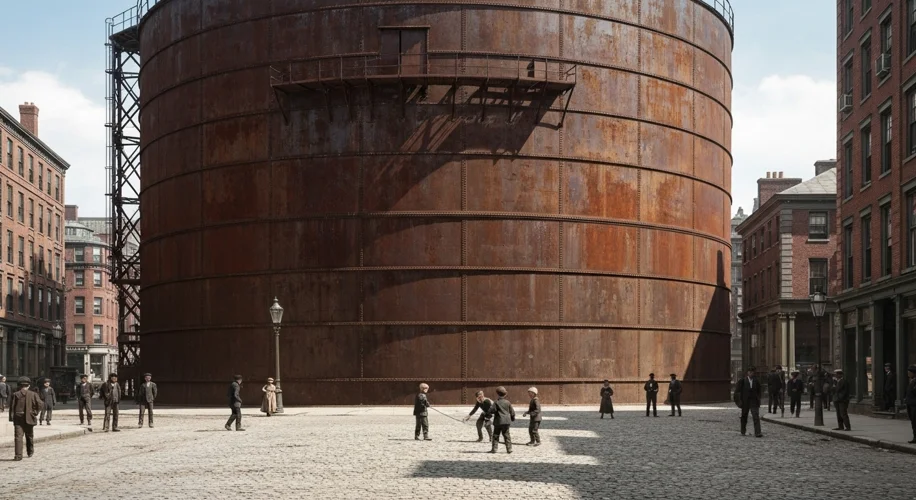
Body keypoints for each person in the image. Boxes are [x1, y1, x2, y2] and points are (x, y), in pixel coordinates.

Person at [8, 377, 43, 460]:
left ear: (19, 386)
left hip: (18, 419)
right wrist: (35, 412)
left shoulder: (15, 394)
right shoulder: (33, 394)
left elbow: (12, 407)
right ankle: (30, 451)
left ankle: (18, 456)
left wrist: (11, 418)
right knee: (29, 436)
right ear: (29, 385)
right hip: (29, 418)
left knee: (18, 437)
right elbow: (40, 404)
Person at [734, 366, 762, 437]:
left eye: (752, 372)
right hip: (745, 401)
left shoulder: (756, 381)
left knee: (756, 416)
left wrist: (758, 399)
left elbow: (759, 391)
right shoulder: (742, 381)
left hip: (754, 401)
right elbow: (737, 392)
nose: (751, 373)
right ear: (747, 373)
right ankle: (743, 431)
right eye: (750, 372)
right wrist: (739, 402)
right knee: (744, 416)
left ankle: (758, 432)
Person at [488, 386, 515, 454]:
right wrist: (512, 418)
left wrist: (490, 408)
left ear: (497, 393)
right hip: (506, 421)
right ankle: (509, 449)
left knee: (496, 435)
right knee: (506, 435)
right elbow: (512, 412)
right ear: (505, 394)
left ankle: (494, 449)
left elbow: (492, 411)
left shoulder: (496, 402)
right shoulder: (508, 402)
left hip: (498, 421)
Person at [905, 365, 916, 444]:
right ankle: (915, 437)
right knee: (913, 422)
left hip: (914, 405)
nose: (908, 374)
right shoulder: (911, 381)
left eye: (909, 372)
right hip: (910, 404)